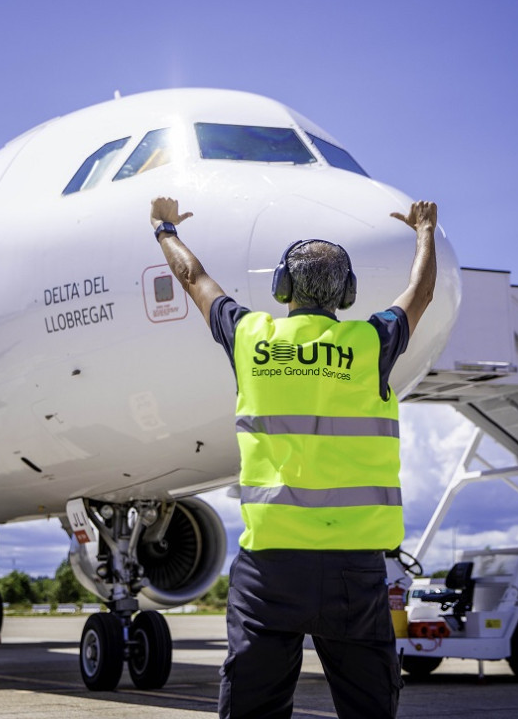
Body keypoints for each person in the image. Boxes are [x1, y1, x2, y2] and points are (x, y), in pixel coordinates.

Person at [150, 195, 438, 719]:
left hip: (271, 571)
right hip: (355, 571)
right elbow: (421, 293)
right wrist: (424, 232)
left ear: (283, 286)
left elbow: (194, 279)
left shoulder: (251, 339)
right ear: (347, 293)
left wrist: (164, 229)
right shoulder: (370, 343)